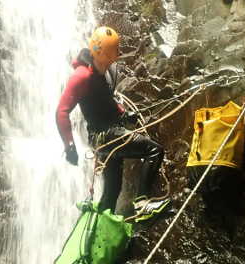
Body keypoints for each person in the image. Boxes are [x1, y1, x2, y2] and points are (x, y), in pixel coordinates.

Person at [55, 26, 169, 221]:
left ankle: (96, 230)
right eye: (114, 53)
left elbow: (105, 102)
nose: (116, 57)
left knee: (112, 191)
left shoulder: (100, 73)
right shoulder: (81, 76)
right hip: (105, 135)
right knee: (154, 151)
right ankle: (142, 203)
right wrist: (70, 146)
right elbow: (61, 112)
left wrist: (125, 114)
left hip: (108, 135)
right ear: (105, 55)